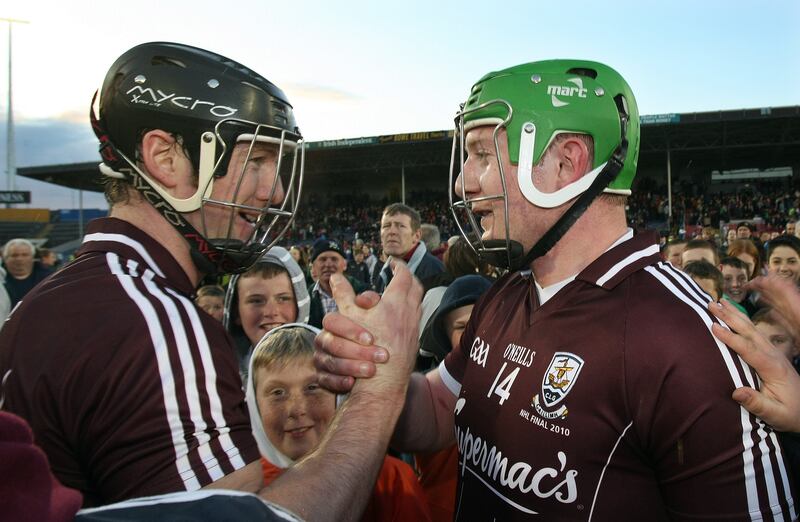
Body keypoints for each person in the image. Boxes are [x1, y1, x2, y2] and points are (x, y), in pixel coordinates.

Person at [316, 59, 795, 518]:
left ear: (568, 162)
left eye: (482, 154)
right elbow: (443, 410)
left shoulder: (686, 338)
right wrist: (382, 370)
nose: (463, 182)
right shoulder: (503, 294)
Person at [0, 42, 421, 521]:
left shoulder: (46, 301)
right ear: (166, 158)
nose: (275, 191)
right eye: (255, 161)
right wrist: (380, 392)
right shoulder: (156, 324)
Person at [245, 324, 432, 522]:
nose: (296, 409)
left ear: (340, 396)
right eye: (277, 393)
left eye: (312, 387)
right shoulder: (240, 488)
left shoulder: (389, 480)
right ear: (254, 404)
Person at [223, 245, 310, 377]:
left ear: (300, 304)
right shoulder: (219, 377)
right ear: (236, 313)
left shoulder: (326, 372)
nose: (271, 312)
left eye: (283, 298)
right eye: (256, 301)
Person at [375, 203, 444, 292]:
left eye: (400, 226)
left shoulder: (436, 272)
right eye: (386, 226)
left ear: (417, 236)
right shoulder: (384, 271)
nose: (391, 231)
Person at [308, 239, 366, 328]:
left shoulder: (362, 292)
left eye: (334, 259)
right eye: (322, 259)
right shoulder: (306, 298)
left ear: (344, 265)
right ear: (314, 267)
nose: (328, 264)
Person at [3, 238, 53, 307]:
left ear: (32, 257)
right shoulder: (1, 280)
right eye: (14, 255)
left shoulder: (48, 279)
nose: (19, 259)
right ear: (5, 258)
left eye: (25, 255)